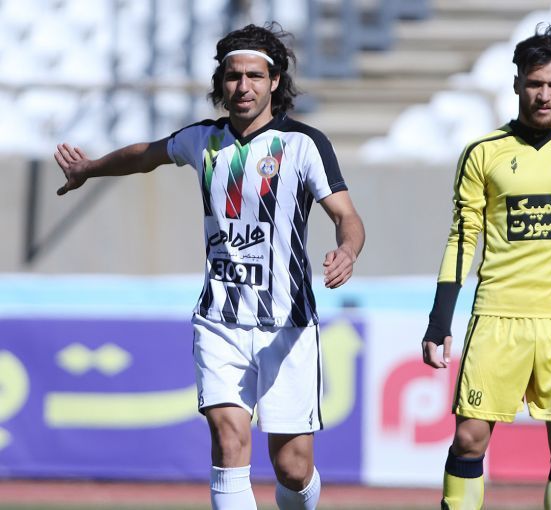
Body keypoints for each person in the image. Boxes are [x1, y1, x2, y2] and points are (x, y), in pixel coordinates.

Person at [54, 23, 365, 510]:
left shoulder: (304, 144)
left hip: (287, 325)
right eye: (233, 76)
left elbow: (347, 217)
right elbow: (145, 156)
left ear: (275, 81)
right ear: (221, 81)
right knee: (228, 441)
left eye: (254, 76)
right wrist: (89, 169)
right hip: (219, 320)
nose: (243, 87)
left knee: (292, 467)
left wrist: (346, 250)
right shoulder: (203, 139)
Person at [422, 23, 551, 510]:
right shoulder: (483, 153)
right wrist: (439, 320)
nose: (544, 95)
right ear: (516, 84)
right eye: (534, 83)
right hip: (498, 317)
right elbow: (462, 238)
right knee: (469, 438)